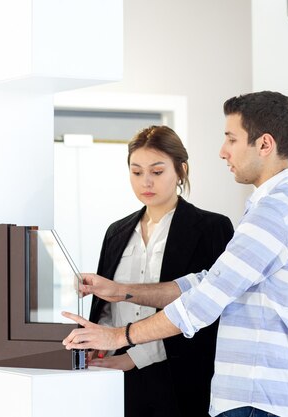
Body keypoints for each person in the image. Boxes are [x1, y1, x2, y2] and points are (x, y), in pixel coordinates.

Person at [63, 91, 288, 417]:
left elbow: (204, 302)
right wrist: (119, 292)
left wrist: (119, 337)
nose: (222, 151)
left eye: (231, 138)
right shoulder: (273, 207)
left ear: (264, 144)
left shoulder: (275, 212)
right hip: (248, 396)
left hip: (255, 398)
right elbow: (205, 283)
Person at [88, 125, 233, 417]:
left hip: (180, 378)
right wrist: (98, 341)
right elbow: (106, 307)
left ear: (181, 170)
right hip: (116, 374)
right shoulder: (116, 232)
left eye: (157, 171)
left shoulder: (212, 228)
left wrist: (135, 356)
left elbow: (208, 313)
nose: (146, 182)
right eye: (136, 171)